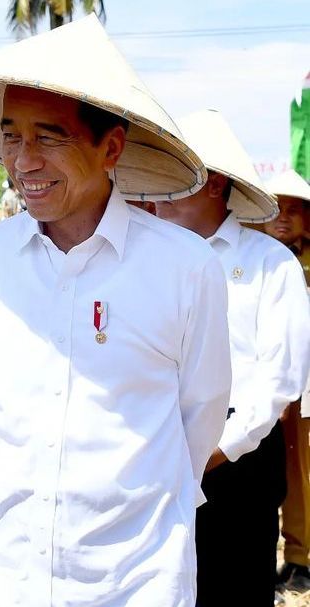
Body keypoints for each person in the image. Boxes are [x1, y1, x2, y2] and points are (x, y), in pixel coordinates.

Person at [0, 16, 232, 605]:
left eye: (48, 137)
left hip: (134, 581)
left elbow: (201, 414)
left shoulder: (186, 269)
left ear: (110, 147)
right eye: (11, 136)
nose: (23, 162)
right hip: (4, 579)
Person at [153, 110, 310, 605]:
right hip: (155, 452)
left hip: (238, 463)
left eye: (175, 179)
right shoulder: (145, 262)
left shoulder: (270, 265)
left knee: (233, 584)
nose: (158, 192)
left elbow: (279, 378)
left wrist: (217, 450)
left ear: (214, 183)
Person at [262, 169, 310, 590]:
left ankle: (301, 556)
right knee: (284, 471)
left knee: (304, 470)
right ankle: (294, 553)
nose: (283, 219)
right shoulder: (256, 262)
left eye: (294, 210)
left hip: (307, 384)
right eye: (277, 209)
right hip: (270, 387)